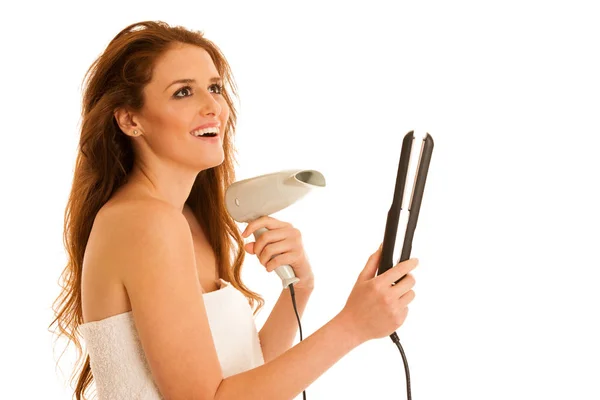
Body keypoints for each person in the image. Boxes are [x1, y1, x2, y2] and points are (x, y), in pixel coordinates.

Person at [49, 20, 418, 400]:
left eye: (214, 87)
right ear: (130, 120)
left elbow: (244, 375)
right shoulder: (146, 221)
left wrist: (302, 289)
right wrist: (352, 326)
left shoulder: (184, 219)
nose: (213, 107)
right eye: (182, 92)